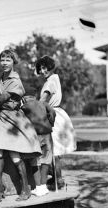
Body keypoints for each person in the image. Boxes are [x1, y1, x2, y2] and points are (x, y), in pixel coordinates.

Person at [0, 49, 42, 202]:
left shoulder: (15, 81)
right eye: (2, 60)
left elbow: (0, 100)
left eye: (8, 60)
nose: (4, 63)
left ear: (13, 62)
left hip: (12, 119)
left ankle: (25, 188)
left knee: (14, 154)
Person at [35, 55, 77, 189]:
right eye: (41, 68)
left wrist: (30, 104)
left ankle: (58, 179)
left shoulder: (50, 82)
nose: (43, 70)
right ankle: (56, 178)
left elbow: (43, 100)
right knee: (52, 150)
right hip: (56, 113)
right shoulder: (55, 78)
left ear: (51, 67)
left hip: (53, 115)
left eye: (45, 67)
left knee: (54, 150)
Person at [21, 84, 56, 196]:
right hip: (47, 134)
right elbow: (53, 112)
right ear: (35, 96)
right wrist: (51, 123)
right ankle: (44, 186)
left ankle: (38, 187)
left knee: (35, 161)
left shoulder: (24, 107)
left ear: (24, 97)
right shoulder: (43, 103)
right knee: (46, 160)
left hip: (35, 135)